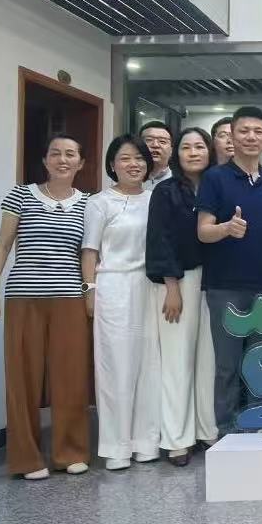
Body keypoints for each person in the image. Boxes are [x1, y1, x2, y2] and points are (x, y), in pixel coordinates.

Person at [0, 134, 91, 480]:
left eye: (70, 154)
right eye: (55, 153)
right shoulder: (21, 195)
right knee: (23, 378)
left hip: (69, 299)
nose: (62, 159)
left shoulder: (89, 203)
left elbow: (89, 255)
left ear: (81, 163)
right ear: (45, 161)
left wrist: (91, 293)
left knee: (71, 376)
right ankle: (26, 459)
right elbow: (3, 245)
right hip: (24, 297)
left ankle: (69, 452)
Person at [197, 106, 262, 434]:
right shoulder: (215, 178)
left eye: (258, 131)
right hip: (225, 287)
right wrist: (226, 228)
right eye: (244, 131)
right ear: (231, 136)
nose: (251, 137)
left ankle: (260, 423)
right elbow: (203, 231)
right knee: (227, 365)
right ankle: (227, 430)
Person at [81, 135, 160, 471]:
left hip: (150, 286)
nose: (133, 164)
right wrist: (89, 290)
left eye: (139, 158)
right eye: (125, 158)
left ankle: (146, 441)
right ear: (112, 164)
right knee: (115, 365)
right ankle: (116, 446)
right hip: (113, 286)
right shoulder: (100, 202)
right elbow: (90, 250)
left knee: (150, 364)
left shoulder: (156, 198)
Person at [145, 127, 218, 467]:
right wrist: (171, 285)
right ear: (177, 154)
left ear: (209, 151)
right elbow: (159, 238)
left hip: (215, 280)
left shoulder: (217, 185)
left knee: (209, 360)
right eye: (186, 147)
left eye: (199, 146)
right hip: (179, 280)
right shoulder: (166, 190)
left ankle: (207, 429)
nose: (193, 152)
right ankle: (177, 439)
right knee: (177, 361)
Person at [140, 120, 174, 189]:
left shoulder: (181, 184)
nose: (155, 145)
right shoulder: (124, 181)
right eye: (149, 140)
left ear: (171, 151)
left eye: (162, 141)